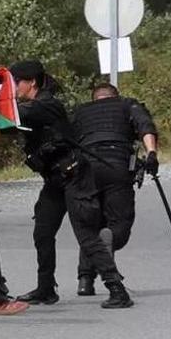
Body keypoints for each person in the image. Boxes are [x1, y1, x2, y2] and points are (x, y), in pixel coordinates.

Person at [13, 62, 128, 309]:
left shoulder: (47, 105)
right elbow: (7, 124)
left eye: (16, 82)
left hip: (75, 176)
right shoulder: (31, 107)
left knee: (86, 234)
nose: (13, 88)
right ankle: (45, 289)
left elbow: (19, 114)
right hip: (54, 180)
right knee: (42, 232)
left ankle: (117, 289)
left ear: (31, 82)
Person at [69, 81, 161, 305]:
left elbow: (66, 138)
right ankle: (108, 243)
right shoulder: (128, 105)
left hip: (85, 168)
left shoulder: (80, 111)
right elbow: (145, 127)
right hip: (116, 165)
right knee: (119, 224)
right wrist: (151, 154)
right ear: (115, 96)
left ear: (95, 98)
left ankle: (85, 280)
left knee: (90, 225)